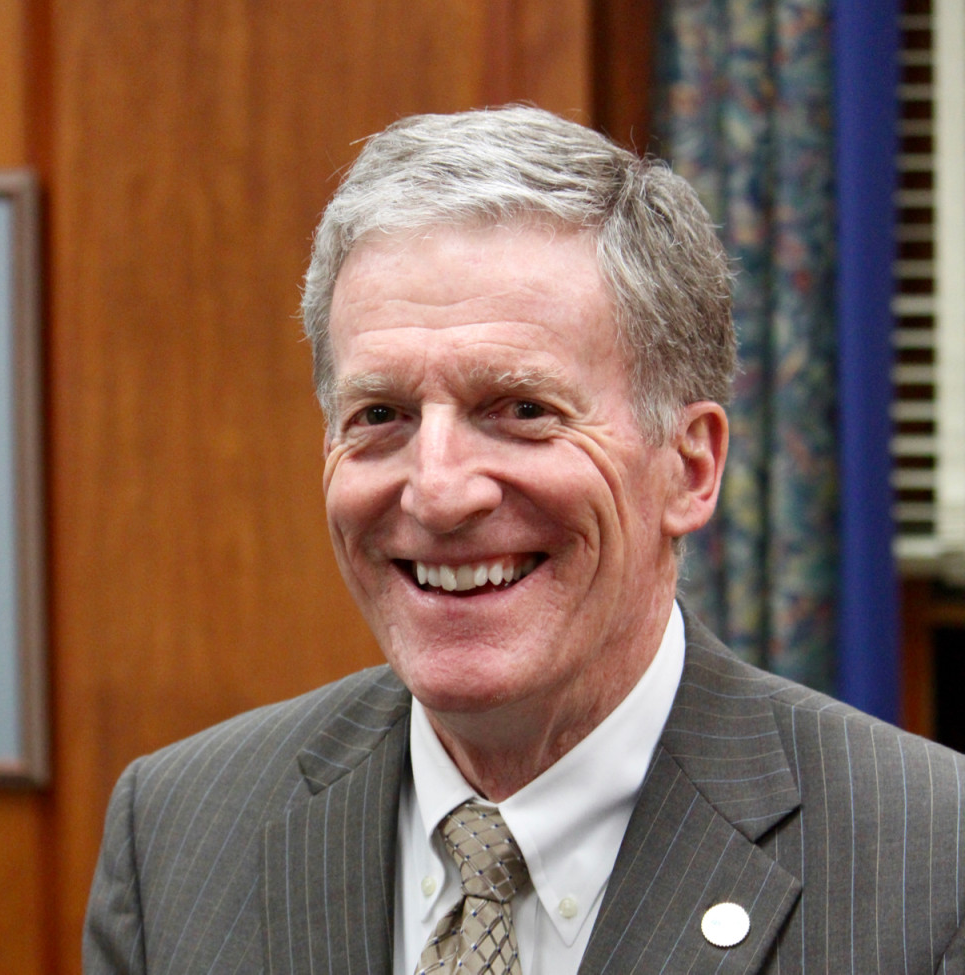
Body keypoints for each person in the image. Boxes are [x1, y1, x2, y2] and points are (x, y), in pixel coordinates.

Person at [84, 105, 965, 974]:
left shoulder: (930, 866)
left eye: (522, 410)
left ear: (689, 468)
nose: (438, 490)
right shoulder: (175, 837)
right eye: (380, 414)